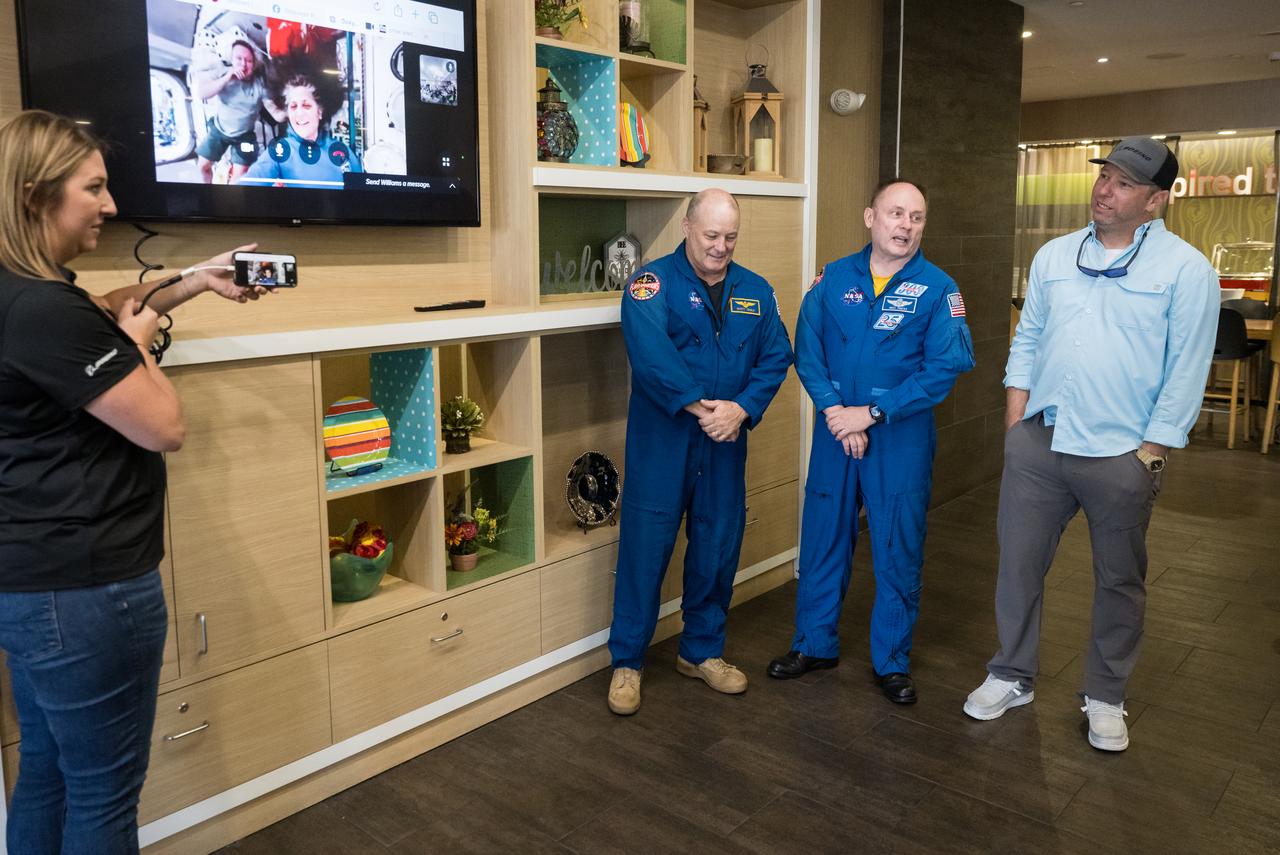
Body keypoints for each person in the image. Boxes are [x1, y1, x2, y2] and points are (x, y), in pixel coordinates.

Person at [0, 110, 272, 853]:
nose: (112, 206)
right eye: (94, 189)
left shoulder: (20, 296)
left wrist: (189, 282)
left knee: (50, 773)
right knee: (103, 795)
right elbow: (163, 424)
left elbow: (96, 312)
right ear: (35, 196)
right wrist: (137, 345)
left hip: (29, 587)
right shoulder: (42, 311)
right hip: (90, 592)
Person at [963, 137, 1218, 751]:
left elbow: (1187, 367)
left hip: (1120, 453)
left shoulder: (1186, 271)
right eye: (1105, 176)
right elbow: (1027, 337)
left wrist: (1153, 451)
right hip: (1040, 444)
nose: (1106, 189)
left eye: (1125, 183)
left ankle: (1105, 695)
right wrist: (1015, 415)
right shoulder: (1054, 256)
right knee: (1018, 567)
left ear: (1155, 201)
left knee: (1119, 581)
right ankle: (1011, 672)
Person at [766, 180, 975, 704]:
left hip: (898, 440)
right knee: (822, 540)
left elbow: (944, 368)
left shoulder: (938, 289)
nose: (905, 225)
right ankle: (814, 644)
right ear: (870, 217)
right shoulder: (833, 278)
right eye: (896, 213)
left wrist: (873, 414)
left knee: (896, 548)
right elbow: (807, 350)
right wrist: (839, 415)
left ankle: (892, 661)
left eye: (917, 217)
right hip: (835, 435)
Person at [606, 188, 793, 715]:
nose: (721, 247)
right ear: (687, 227)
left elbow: (777, 356)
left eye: (730, 237)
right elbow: (650, 356)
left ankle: (702, 652)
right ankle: (627, 662)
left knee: (717, 547)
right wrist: (700, 407)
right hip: (663, 441)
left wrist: (741, 409)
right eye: (711, 235)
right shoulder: (651, 284)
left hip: (725, 444)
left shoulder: (755, 290)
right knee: (646, 551)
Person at [242, 56, 361, 189]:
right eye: (293, 106)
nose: (299, 113)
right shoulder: (279, 152)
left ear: (320, 111)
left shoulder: (342, 152)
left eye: (306, 105)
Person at [192, 39, 267, 184]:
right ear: (231, 60)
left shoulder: (259, 84)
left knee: (239, 179)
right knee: (202, 167)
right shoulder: (223, 73)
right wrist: (227, 78)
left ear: (254, 64)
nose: (244, 64)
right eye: (239, 59)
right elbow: (202, 94)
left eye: (249, 60)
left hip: (245, 137)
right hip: (219, 131)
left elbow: (275, 110)